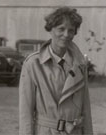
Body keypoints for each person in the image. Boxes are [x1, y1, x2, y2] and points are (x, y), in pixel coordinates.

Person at [19, 7, 93, 135]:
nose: (66, 35)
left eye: (71, 30)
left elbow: (86, 109)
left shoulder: (80, 64)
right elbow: (26, 112)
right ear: (51, 29)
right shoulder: (33, 64)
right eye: (61, 29)